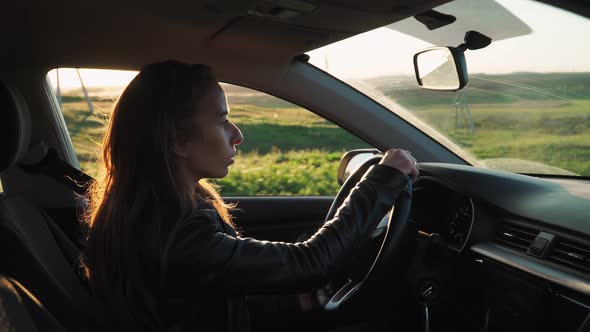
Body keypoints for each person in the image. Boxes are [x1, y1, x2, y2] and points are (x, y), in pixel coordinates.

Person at [82, 60, 419, 332]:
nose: (237, 135)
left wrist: (293, 301)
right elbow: (313, 263)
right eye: (223, 120)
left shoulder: (146, 218)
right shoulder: (179, 237)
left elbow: (208, 303)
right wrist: (385, 177)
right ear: (177, 141)